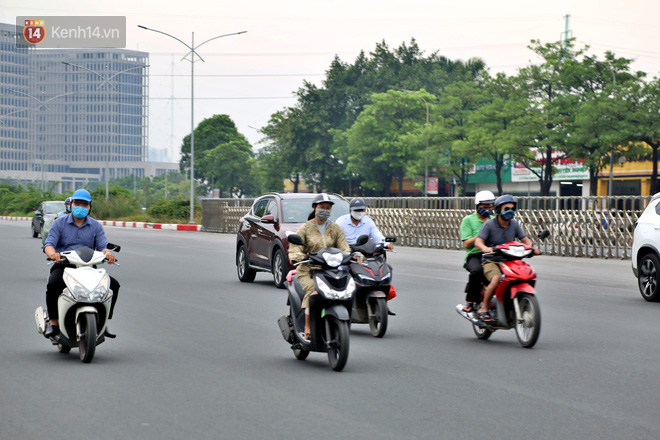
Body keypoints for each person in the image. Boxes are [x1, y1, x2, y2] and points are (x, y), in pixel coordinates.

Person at [43, 189, 120, 340]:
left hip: (88, 266)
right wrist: (52, 254)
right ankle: (53, 323)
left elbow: (103, 246)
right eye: (77, 203)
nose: (80, 207)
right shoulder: (60, 223)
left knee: (113, 285)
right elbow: (49, 244)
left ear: (90, 206)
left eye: (84, 204)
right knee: (53, 284)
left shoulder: (96, 226)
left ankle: (104, 322)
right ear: (71, 205)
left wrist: (108, 254)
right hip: (64, 264)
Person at [288, 193, 352, 340]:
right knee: (314, 291)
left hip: (330, 269)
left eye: (328, 208)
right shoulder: (306, 228)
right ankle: (307, 326)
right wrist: (298, 257)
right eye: (322, 207)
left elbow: (345, 248)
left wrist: (350, 256)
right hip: (308, 270)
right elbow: (295, 248)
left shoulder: (335, 228)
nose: (325, 210)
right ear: (315, 208)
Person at [474, 194, 540, 324]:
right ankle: (484, 307)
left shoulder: (514, 224)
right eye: (506, 208)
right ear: (498, 210)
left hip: (510, 259)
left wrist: (532, 248)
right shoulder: (489, 224)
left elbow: (525, 240)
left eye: (512, 208)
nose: (510, 211)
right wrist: (486, 248)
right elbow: (478, 242)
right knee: (496, 278)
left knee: (526, 274)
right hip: (492, 260)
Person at [336, 197, 397, 315]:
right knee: (342, 272)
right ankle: (342, 302)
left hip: (367, 254)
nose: (359, 212)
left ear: (365, 210)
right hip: (348, 255)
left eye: (361, 210)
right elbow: (336, 238)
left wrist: (386, 243)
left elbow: (377, 235)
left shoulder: (368, 221)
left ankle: (384, 301)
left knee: (387, 268)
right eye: (356, 210)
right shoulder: (341, 221)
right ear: (350, 210)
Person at [459, 190, 495, 314]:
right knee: (477, 271)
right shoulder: (468, 220)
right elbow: (467, 244)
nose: (488, 210)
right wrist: (483, 231)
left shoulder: (496, 220)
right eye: (485, 207)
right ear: (477, 206)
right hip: (475, 255)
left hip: (494, 254)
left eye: (491, 207)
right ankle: (471, 300)